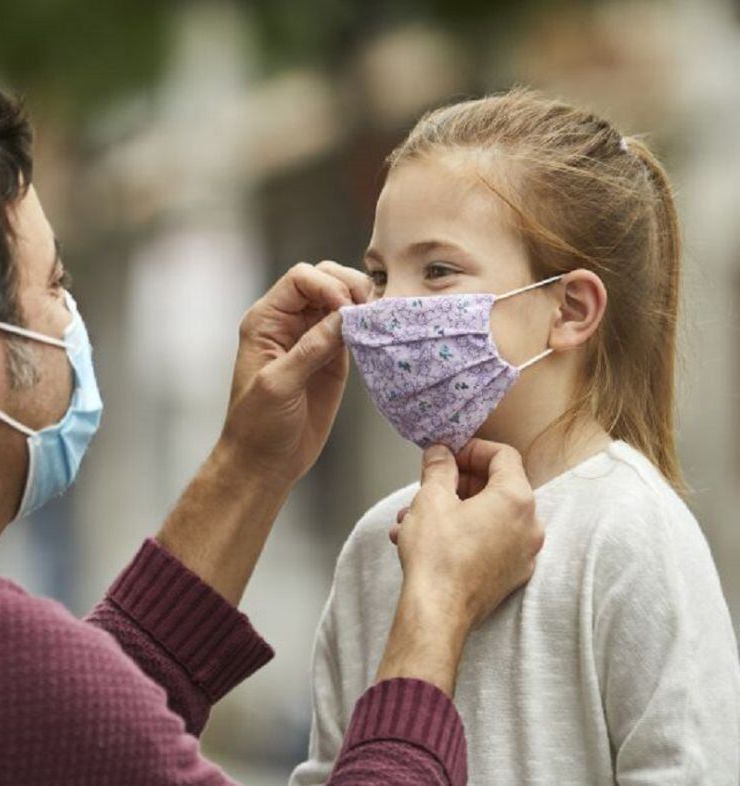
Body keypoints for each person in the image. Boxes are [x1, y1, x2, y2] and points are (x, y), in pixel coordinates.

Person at [0, 75, 544, 786]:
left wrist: (248, 465)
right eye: (55, 283)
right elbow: (27, 703)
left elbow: (62, 730)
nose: (70, 316)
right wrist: (433, 613)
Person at [291, 89, 740, 786]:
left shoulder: (631, 535)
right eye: (379, 274)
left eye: (437, 270)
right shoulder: (377, 545)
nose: (388, 306)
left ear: (570, 309)